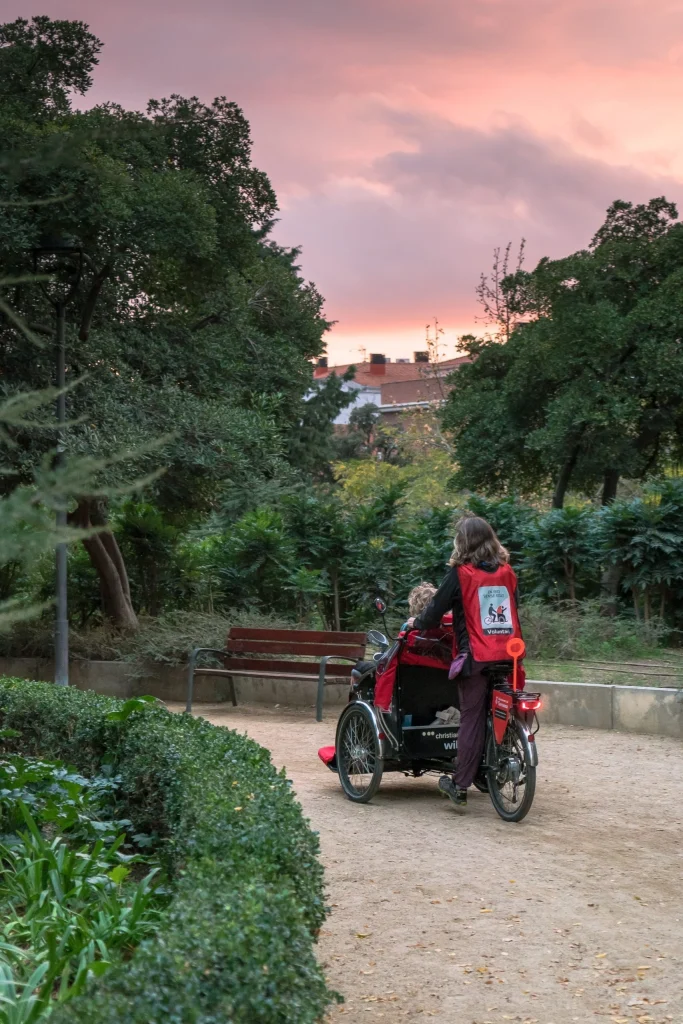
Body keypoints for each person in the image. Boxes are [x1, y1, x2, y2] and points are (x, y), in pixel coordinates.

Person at [407, 515, 522, 814]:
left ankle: (460, 786)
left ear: (463, 542)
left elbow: (433, 613)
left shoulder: (462, 574)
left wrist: (417, 623)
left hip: (476, 657)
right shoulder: (507, 572)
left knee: (472, 717)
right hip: (508, 655)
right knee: (504, 706)